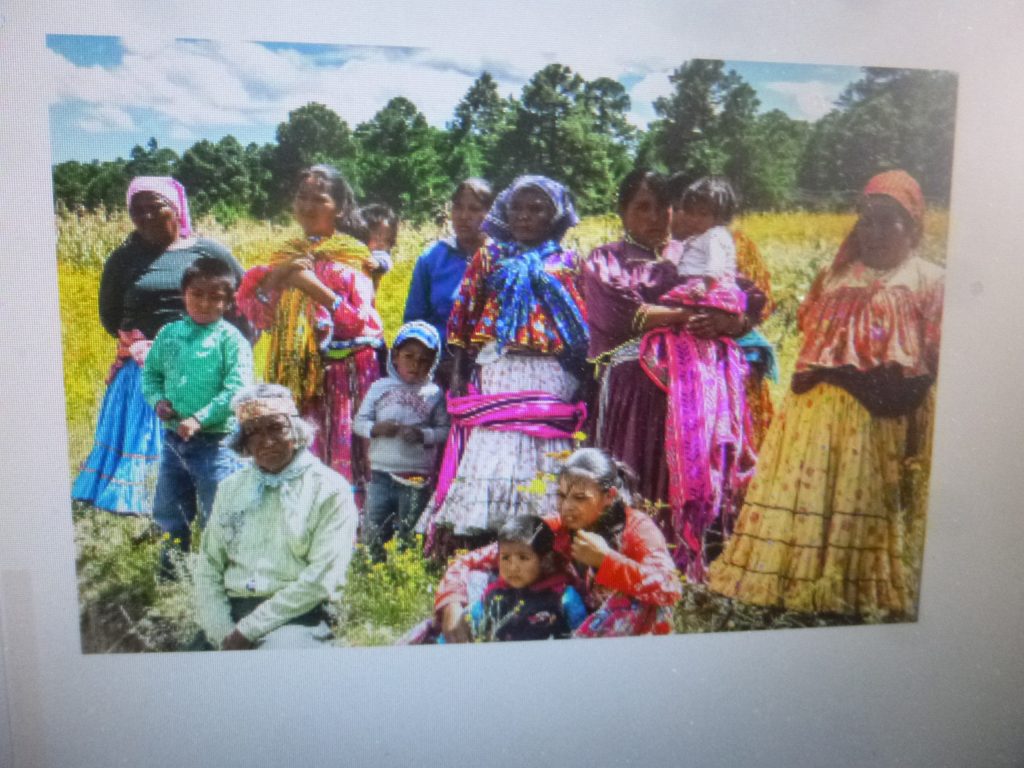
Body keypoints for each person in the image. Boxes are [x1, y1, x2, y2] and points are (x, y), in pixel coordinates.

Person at [706, 170, 943, 619]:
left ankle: (845, 591)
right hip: (811, 421)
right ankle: (795, 583)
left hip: (877, 423)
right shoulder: (833, 277)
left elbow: (929, 363)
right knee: (807, 505)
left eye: (886, 222)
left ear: (911, 226)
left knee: (857, 508)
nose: (872, 232)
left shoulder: (927, 281)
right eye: (866, 220)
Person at [582, 170, 759, 579]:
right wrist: (691, 314)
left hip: (696, 388)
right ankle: (629, 566)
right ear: (622, 212)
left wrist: (728, 324)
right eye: (642, 207)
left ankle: (693, 562)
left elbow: (749, 298)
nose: (656, 217)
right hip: (635, 389)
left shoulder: (697, 252)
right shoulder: (607, 260)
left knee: (694, 471)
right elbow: (621, 314)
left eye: (665, 207)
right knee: (637, 470)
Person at [418, 175, 588, 542]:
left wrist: (584, 378)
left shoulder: (569, 261)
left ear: (555, 215)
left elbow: (579, 326)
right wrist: (461, 372)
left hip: (551, 371)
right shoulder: (489, 257)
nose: (525, 217)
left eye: (536, 209)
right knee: (496, 444)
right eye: (517, 209)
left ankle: (543, 533)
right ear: (505, 213)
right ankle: (484, 532)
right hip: (498, 366)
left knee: (542, 446)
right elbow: (464, 316)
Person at [71, 176, 251, 515]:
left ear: (178, 209)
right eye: (137, 210)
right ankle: (145, 499)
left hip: (202, 363)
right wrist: (143, 345)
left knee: (205, 443)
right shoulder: (124, 258)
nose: (147, 216)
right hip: (143, 365)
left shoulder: (206, 251)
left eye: (156, 207)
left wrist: (226, 348)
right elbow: (109, 314)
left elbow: (242, 299)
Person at [236, 164, 383, 489]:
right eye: (302, 197)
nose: (308, 206)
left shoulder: (352, 256)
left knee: (339, 457)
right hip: (294, 378)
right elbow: (261, 317)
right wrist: (278, 276)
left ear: (340, 208)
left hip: (342, 377)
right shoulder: (286, 255)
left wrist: (312, 286)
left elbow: (361, 322)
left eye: (319, 199)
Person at [435, 448, 682, 641]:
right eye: (561, 496)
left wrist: (606, 560)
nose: (566, 507)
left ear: (609, 497)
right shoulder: (557, 527)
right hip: (570, 624)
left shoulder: (637, 527)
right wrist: (452, 604)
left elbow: (670, 588)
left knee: (641, 598)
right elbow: (470, 561)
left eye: (580, 498)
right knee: (481, 576)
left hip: (628, 642)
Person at [195, 384, 359, 650]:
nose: (266, 440)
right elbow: (209, 566)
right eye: (253, 432)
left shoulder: (329, 489)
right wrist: (220, 631)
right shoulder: (231, 488)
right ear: (244, 442)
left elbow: (321, 579)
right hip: (232, 615)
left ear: (295, 431)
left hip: (298, 616)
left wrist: (246, 632)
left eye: (275, 427)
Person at [141, 256, 253, 557]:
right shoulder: (168, 335)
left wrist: (200, 418)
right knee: (170, 509)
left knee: (217, 511)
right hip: (174, 440)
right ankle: (171, 571)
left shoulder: (230, 339)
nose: (204, 303)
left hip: (216, 443)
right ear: (183, 295)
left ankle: (223, 572)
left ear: (228, 303)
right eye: (197, 295)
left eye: (215, 298)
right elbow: (151, 375)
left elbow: (237, 389)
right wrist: (158, 401)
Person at [671, 174, 778, 449]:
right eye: (688, 210)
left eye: (702, 213)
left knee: (738, 442)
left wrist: (729, 323)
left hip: (736, 363)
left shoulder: (737, 244)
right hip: (686, 366)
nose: (691, 218)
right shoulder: (672, 249)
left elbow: (761, 302)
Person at [352, 321, 449, 560]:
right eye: (409, 357)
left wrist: (423, 435)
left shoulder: (434, 393)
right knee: (374, 526)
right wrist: (376, 429)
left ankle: (405, 570)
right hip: (380, 474)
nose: (415, 366)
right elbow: (358, 423)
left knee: (410, 528)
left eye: (424, 360)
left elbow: (444, 430)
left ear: (434, 362)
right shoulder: (379, 387)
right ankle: (371, 569)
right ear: (395, 356)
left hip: (416, 476)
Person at [402, 178, 494, 387]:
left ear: (491, 214)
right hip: (438, 368)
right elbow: (414, 321)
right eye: (458, 207)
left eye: (474, 209)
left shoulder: (502, 260)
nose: (463, 216)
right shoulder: (433, 258)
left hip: (490, 369)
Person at [468, 515, 587, 642]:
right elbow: (468, 626)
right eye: (505, 558)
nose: (513, 568)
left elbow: (583, 635)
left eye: (523, 558)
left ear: (546, 561)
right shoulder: (492, 595)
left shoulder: (564, 596)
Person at [360, 202, 398, 286]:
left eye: (387, 240)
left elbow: (386, 263)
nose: (381, 243)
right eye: (377, 236)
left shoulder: (380, 255)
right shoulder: (353, 248)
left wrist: (378, 265)